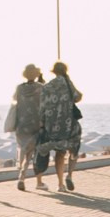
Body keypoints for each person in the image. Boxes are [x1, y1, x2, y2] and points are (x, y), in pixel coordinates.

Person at [36, 60, 82, 192]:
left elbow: (42, 107)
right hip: (68, 123)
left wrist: (42, 123)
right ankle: (69, 175)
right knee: (74, 147)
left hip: (52, 125)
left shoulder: (47, 86)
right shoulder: (67, 83)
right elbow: (77, 97)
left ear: (54, 72)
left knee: (59, 153)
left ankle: (60, 184)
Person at [9, 63, 45, 191]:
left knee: (23, 151)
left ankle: (21, 177)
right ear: (36, 75)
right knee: (35, 154)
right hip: (36, 125)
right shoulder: (41, 87)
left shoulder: (19, 88)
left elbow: (14, 100)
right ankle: (37, 181)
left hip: (21, 125)